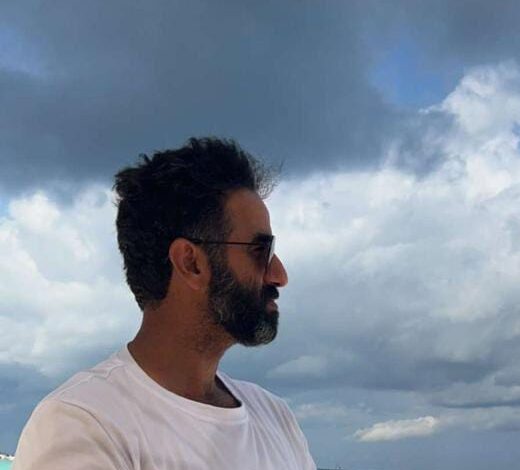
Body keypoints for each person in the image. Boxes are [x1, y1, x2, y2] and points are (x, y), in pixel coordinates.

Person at [13, 137, 317, 470]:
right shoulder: (84, 423)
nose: (280, 275)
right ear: (191, 263)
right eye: (261, 252)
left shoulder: (276, 418)